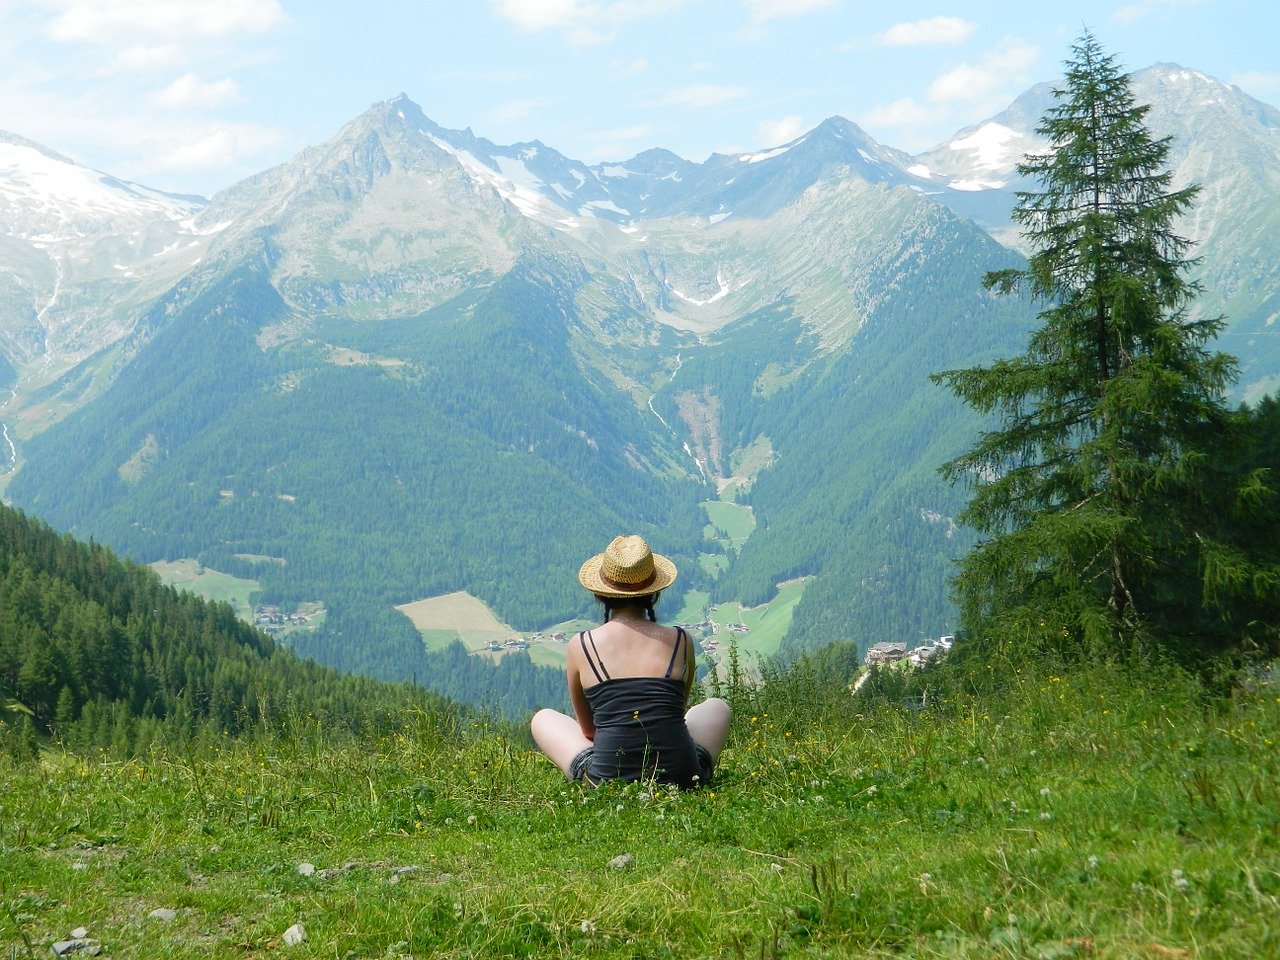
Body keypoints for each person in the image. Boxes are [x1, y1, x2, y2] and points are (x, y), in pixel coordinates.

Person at [531, 535, 731, 789]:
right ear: (654, 593)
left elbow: (589, 730)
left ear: (601, 594)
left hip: (606, 780)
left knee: (543, 718)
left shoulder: (581, 646)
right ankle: (689, 766)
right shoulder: (681, 641)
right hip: (682, 777)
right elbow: (675, 712)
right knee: (717, 707)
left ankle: (598, 774)